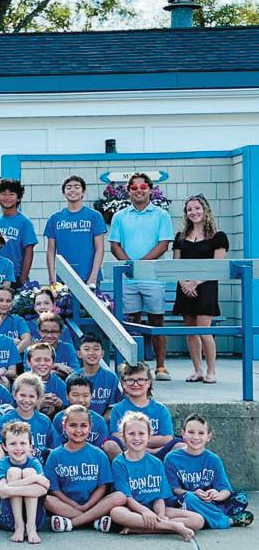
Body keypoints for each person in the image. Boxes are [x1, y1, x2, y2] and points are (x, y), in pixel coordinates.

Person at [109, 172, 174, 381]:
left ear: (150, 189)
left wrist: (141, 266)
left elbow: (163, 244)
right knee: (131, 321)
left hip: (153, 277)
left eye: (143, 187)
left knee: (157, 320)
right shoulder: (120, 217)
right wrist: (130, 266)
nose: (139, 191)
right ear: (128, 191)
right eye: (134, 188)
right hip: (129, 278)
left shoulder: (161, 215)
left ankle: (161, 367)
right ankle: (131, 367)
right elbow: (114, 245)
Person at [109, 412, 204, 540]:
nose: (137, 438)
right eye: (131, 434)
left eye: (141, 433)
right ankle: (172, 526)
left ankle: (140, 529)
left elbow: (159, 498)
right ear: (123, 437)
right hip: (133, 510)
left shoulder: (156, 463)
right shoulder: (120, 462)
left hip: (153, 508)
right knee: (116, 513)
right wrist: (145, 512)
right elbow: (128, 498)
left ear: (149, 436)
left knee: (197, 520)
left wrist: (161, 514)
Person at [43, 405, 125, 533]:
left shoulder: (98, 454)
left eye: (83, 425)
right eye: (73, 425)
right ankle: (93, 520)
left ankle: (73, 523)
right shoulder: (55, 455)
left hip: (94, 504)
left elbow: (102, 487)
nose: (78, 430)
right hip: (66, 504)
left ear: (90, 427)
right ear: (64, 427)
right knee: (46, 500)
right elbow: (54, 490)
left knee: (119, 497)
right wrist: (74, 505)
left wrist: (88, 505)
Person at [172, 195, 228, 383]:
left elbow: (217, 266)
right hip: (185, 287)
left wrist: (195, 282)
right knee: (190, 331)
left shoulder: (218, 237)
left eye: (197, 208)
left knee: (204, 329)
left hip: (206, 287)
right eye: (189, 209)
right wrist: (184, 283)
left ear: (205, 210)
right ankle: (197, 370)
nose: (193, 212)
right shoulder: (180, 237)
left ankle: (211, 371)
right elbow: (175, 264)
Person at [164, 413, 252, 528]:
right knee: (188, 499)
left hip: (209, 502)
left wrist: (217, 495)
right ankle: (226, 521)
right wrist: (194, 494)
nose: (196, 437)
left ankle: (204, 519)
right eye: (191, 432)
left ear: (208, 436)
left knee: (241, 498)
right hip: (187, 500)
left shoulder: (213, 459)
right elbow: (174, 489)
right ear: (183, 434)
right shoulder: (171, 458)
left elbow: (225, 489)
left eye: (201, 433)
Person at [0, 421, 49, 544]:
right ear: (4, 446)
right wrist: (33, 480)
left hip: (35, 518)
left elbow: (43, 489)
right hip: (8, 518)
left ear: (30, 446)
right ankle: (19, 526)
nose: (18, 448)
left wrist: (10, 489)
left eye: (23, 443)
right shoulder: (2, 463)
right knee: (13, 472)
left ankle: (31, 527)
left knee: (29, 471)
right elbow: (1, 490)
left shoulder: (34, 462)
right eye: (13, 443)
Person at [107, 361, 179, 461]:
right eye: (130, 380)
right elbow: (117, 437)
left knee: (180, 446)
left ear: (148, 382)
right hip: (128, 454)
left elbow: (167, 438)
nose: (135, 384)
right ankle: (126, 469)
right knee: (110, 444)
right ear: (123, 383)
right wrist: (142, 445)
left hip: (158, 452)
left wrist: (138, 443)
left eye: (141, 380)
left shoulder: (160, 409)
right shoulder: (117, 409)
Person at [45, 175, 106, 287]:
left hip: (89, 276)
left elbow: (100, 248)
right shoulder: (54, 219)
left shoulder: (94, 216)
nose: (72, 190)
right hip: (64, 278)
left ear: (83, 192)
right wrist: (51, 277)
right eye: (68, 187)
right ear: (64, 193)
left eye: (77, 187)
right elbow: (50, 251)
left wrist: (93, 276)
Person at [0, 372, 58, 461]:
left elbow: (55, 449)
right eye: (22, 395)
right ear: (15, 395)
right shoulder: (4, 420)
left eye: (31, 396)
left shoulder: (44, 421)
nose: (27, 400)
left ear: (38, 398)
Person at [0, 178, 37, 287]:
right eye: (3, 194)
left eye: (11, 194)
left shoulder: (25, 222)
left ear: (18, 197)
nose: (7, 198)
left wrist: (22, 279)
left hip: (16, 276)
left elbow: (29, 252)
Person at [51, 374, 110, 448]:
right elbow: (56, 446)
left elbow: (101, 449)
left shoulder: (99, 421)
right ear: (67, 395)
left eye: (85, 395)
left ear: (91, 396)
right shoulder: (59, 418)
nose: (80, 400)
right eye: (75, 395)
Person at [76, 333, 122, 416]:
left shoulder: (111, 378)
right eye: (86, 349)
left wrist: (100, 422)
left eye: (96, 349)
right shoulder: (73, 378)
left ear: (102, 353)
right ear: (79, 354)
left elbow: (112, 407)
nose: (91, 353)